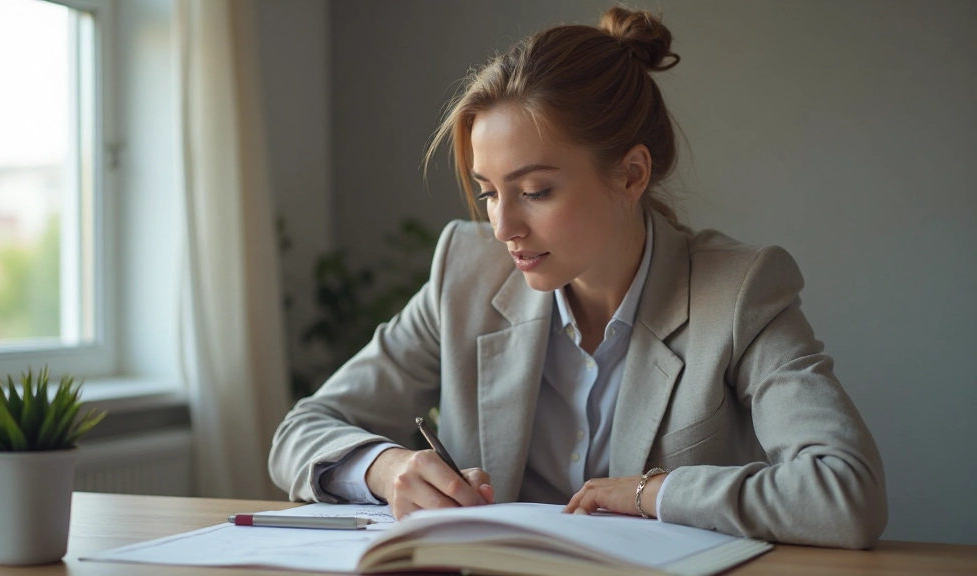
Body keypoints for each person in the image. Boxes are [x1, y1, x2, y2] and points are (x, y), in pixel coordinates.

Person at [268, 6, 887, 549]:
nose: (504, 226)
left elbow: (845, 492)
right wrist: (387, 468)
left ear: (631, 175)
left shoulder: (739, 291)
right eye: (488, 192)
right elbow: (299, 432)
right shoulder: (465, 270)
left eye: (535, 191)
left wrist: (652, 494)